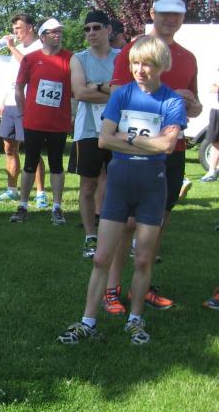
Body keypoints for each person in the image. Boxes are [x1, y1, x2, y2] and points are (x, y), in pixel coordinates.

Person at [57, 36, 186, 346]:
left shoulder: (171, 101)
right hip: (119, 184)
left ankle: (135, 319)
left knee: (143, 259)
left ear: (161, 65)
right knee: (101, 257)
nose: (139, 69)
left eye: (147, 64)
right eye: (135, 63)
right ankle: (88, 321)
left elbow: (168, 146)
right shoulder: (122, 94)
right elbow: (104, 139)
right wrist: (146, 143)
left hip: (152, 186)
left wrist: (126, 139)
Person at [103, 0, 202, 313]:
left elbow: (196, 106)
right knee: (127, 222)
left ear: (183, 17)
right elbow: (118, 96)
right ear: (152, 13)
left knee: (159, 221)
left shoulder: (188, 57)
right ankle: (112, 288)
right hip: (132, 151)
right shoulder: (132, 51)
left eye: (177, 13)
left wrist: (192, 104)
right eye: (164, 12)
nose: (170, 19)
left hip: (171, 151)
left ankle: (141, 285)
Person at [10, 19, 73, 224]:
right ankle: (23, 205)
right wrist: (23, 113)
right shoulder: (31, 59)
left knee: (56, 164)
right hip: (34, 122)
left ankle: (57, 207)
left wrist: (72, 115)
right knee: (30, 163)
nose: (58, 35)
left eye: (60, 31)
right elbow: (19, 87)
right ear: (43, 36)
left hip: (59, 123)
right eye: (53, 32)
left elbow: (76, 91)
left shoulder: (71, 59)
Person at [69, 11, 117, 257]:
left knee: (120, 184)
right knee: (88, 186)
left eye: (96, 27)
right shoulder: (79, 58)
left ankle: (117, 237)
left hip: (119, 130)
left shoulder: (122, 57)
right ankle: (90, 236)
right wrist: (110, 90)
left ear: (108, 29)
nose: (91, 33)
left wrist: (95, 86)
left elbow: (126, 91)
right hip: (88, 131)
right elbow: (79, 93)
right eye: (87, 29)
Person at [0, 14, 48, 208]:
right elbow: (11, 79)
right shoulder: (18, 48)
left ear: (30, 28)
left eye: (18, 28)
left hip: (29, 104)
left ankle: (40, 193)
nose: (15, 32)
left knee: (32, 149)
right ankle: (11, 190)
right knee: (9, 147)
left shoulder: (39, 46)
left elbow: (29, 65)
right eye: (13, 29)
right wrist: (2, 101)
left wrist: (11, 47)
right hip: (11, 104)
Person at [199, 63, 219, 182]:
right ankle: (212, 171)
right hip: (216, 110)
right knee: (215, 141)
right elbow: (211, 88)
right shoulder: (216, 74)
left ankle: (212, 171)